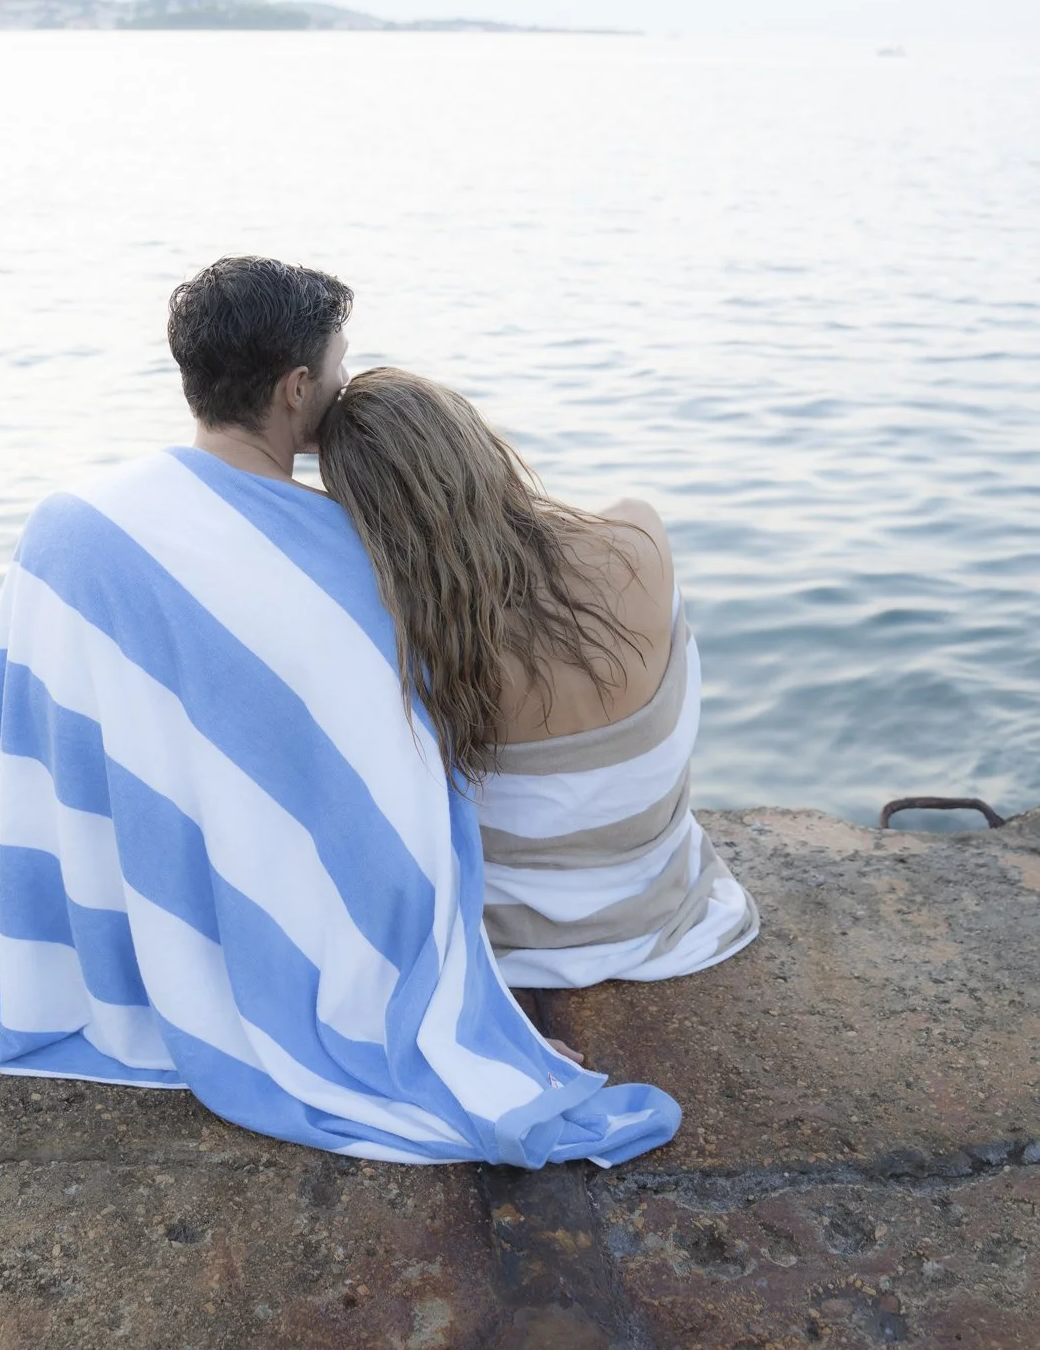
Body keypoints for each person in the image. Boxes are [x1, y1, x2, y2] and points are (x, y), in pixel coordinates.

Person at [0, 257, 680, 1170]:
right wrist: (463, 1026)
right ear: (297, 388)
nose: (338, 381)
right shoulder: (353, 560)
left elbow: (38, 746)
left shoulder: (71, 522)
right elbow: (384, 803)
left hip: (91, 894)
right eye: (335, 363)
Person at [318, 368, 759, 991]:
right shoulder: (635, 538)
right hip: (667, 918)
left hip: (505, 948)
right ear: (483, 448)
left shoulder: (409, 638)